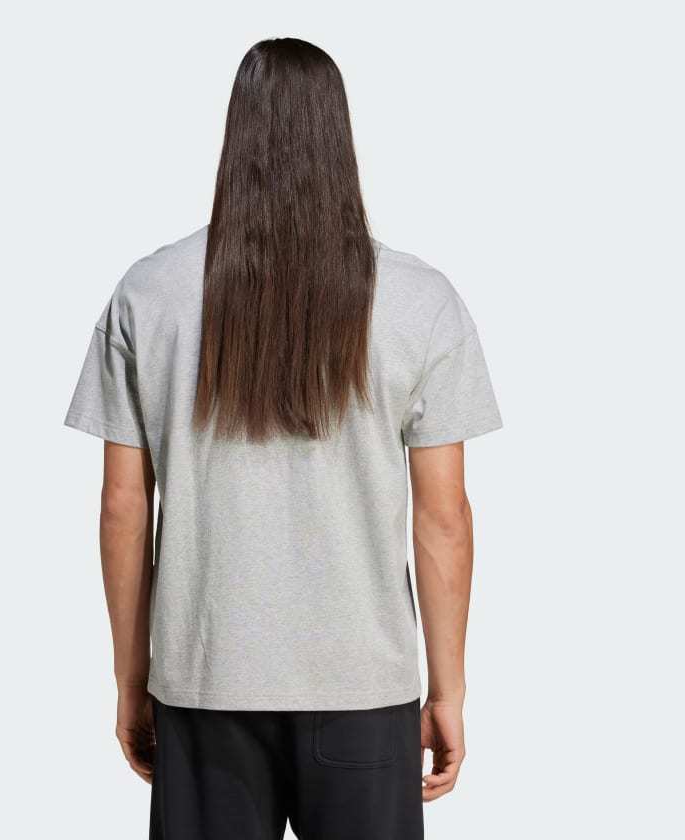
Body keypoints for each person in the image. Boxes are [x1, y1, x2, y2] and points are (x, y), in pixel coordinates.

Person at [65, 37, 501, 840]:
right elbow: (444, 517)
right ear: (340, 136)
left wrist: (131, 679)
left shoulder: (149, 293)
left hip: (204, 681)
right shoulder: (420, 299)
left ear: (237, 135)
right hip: (364, 687)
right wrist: (449, 690)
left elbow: (122, 505)